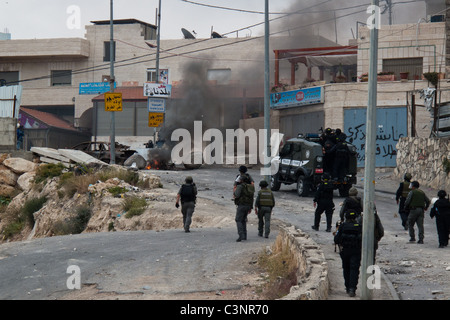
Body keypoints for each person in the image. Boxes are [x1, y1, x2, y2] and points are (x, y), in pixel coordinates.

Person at [334, 210, 363, 297]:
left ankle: (347, 287)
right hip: (356, 251)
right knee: (354, 269)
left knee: (346, 268)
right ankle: (352, 288)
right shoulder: (359, 227)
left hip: (345, 251)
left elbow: (336, 239)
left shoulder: (343, 226)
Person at [233, 173, 255, 242]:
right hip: (248, 205)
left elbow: (236, 194)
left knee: (238, 219)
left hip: (241, 205)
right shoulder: (250, 187)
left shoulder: (240, 186)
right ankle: (244, 235)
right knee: (243, 220)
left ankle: (241, 235)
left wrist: (235, 188)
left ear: (241, 180)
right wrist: (251, 207)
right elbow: (252, 197)